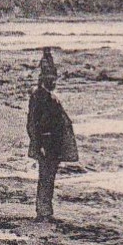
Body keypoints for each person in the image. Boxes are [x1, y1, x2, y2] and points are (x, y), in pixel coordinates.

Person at [27, 71, 78, 222]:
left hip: (53, 144)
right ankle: (43, 211)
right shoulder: (40, 97)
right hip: (46, 144)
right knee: (46, 177)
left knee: (49, 177)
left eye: (54, 80)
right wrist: (39, 145)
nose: (54, 82)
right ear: (44, 80)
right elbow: (34, 124)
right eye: (51, 80)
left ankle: (46, 211)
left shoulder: (48, 96)